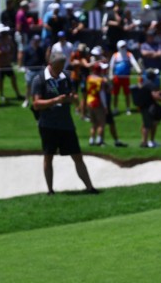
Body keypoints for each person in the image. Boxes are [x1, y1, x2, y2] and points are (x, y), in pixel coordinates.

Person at [30, 52, 98, 195]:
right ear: (51, 64)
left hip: (66, 124)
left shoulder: (66, 77)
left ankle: (90, 187)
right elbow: (36, 104)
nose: (60, 69)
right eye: (58, 67)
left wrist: (73, 99)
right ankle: (50, 190)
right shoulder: (40, 80)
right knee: (48, 156)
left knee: (77, 155)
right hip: (48, 125)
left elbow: (74, 96)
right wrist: (55, 100)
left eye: (62, 66)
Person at [109, 39, 140, 115]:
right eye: (121, 47)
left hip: (126, 77)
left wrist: (138, 69)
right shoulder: (115, 55)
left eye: (124, 46)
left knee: (127, 93)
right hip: (117, 77)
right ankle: (115, 108)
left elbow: (134, 62)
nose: (123, 48)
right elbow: (111, 66)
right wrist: (110, 74)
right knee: (115, 94)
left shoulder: (129, 54)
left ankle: (128, 108)